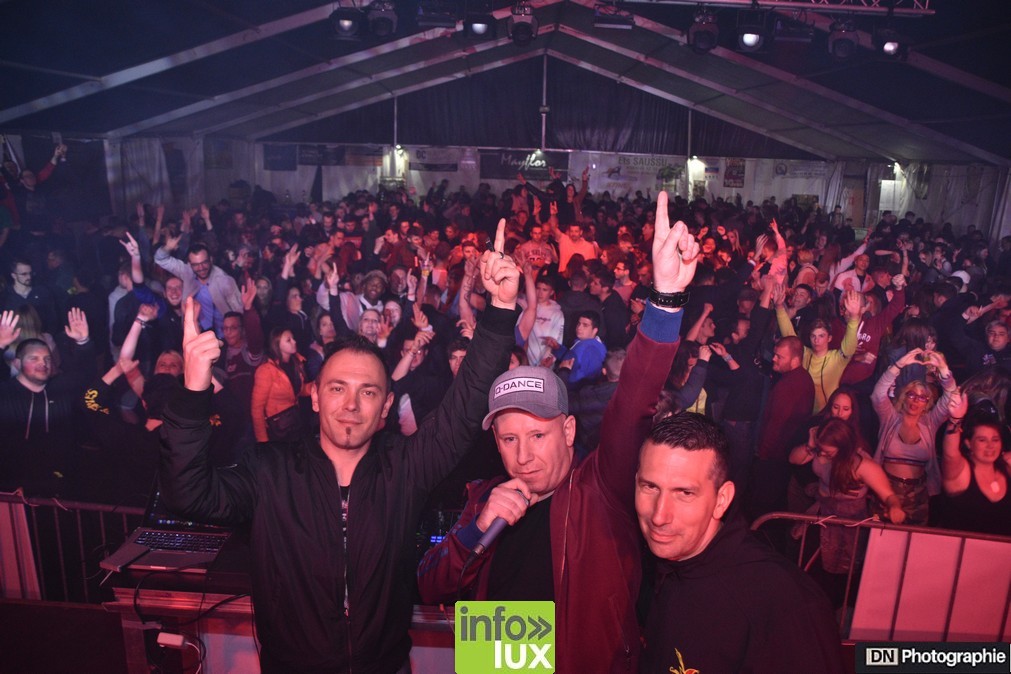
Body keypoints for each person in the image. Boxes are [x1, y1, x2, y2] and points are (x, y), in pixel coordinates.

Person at [159, 221, 519, 673]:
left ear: (385, 406)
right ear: (314, 396)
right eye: (337, 389)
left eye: (367, 392)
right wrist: (194, 391)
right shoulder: (269, 471)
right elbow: (187, 492)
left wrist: (501, 310)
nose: (351, 405)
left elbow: (464, 409)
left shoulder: (405, 467)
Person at [417, 191, 695, 673]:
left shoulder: (600, 489)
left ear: (568, 431)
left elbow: (633, 401)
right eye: (509, 439)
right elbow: (430, 585)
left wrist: (665, 301)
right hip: (497, 665)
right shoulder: (486, 499)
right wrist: (474, 532)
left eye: (538, 435)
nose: (523, 455)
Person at [636, 413, 845, 673]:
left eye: (685, 493)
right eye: (650, 487)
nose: (659, 516)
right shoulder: (651, 567)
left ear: (721, 500)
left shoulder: (785, 605)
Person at [789, 418, 905, 573]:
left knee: (841, 567)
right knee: (808, 561)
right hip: (822, 511)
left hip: (848, 521)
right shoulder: (820, 449)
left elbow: (889, 495)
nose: (822, 453)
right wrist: (811, 445)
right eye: (820, 449)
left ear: (843, 448)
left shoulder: (863, 465)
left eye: (828, 452)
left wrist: (895, 507)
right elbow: (794, 459)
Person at [871, 347, 957, 525]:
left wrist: (943, 370)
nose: (916, 400)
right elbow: (878, 395)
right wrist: (898, 366)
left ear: (927, 403)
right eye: (912, 395)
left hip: (918, 494)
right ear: (904, 397)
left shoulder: (930, 423)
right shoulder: (890, 418)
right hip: (886, 489)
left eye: (922, 397)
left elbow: (951, 399)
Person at [938, 391, 1011, 535]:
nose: (990, 446)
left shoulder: (1007, 467)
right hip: (961, 548)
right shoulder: (961, 471)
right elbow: (950, 454)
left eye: (995, 440)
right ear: (968, 443)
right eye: (982, 440)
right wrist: (955, 419)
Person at [154, 238, 243, 336]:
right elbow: (160, 259)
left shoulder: (225, 281)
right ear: (189, 264)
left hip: (226, 335)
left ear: (211, 259)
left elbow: (239, 311)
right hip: (196, 334)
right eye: (195, 265)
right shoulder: (187, 272)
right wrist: (167, 248)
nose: (201, 268)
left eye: (204, 262)